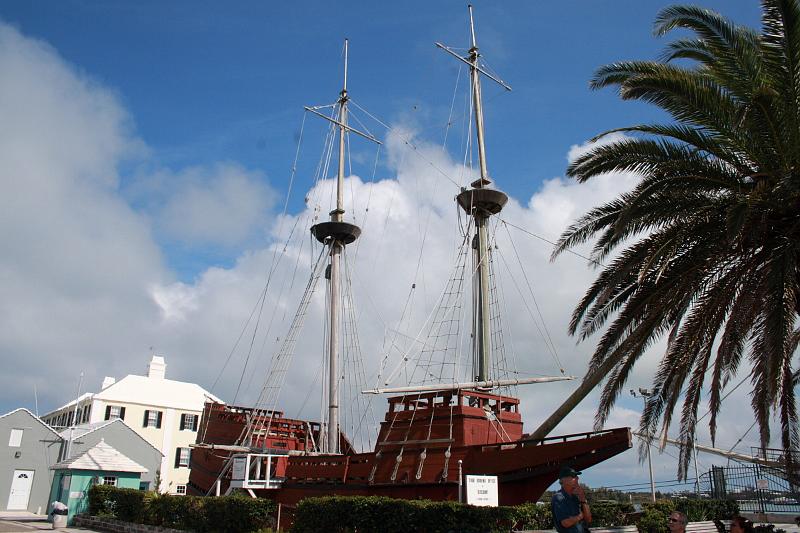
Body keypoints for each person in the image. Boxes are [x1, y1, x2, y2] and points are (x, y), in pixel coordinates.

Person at [551, 465, 592, 533]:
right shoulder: (558, 498)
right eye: (573, 476)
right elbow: (565, 523)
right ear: (563, 480)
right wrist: (580, 516)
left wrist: (583, 499)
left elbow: (588, 519)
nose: (577, 478)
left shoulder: (575, 498)